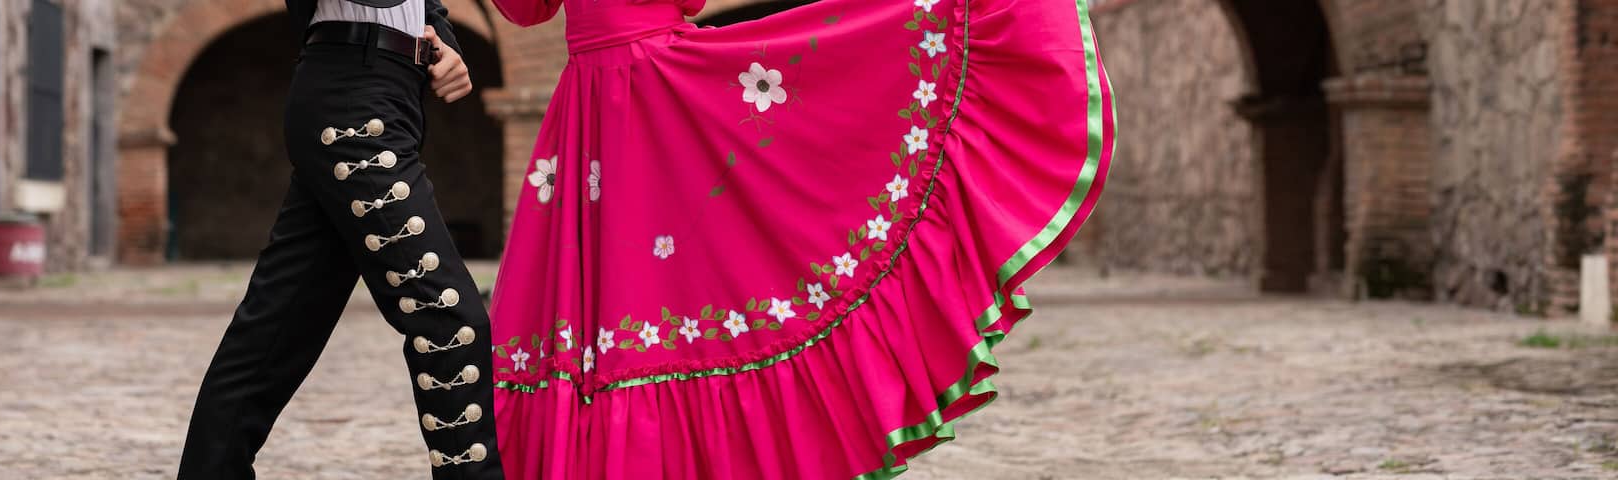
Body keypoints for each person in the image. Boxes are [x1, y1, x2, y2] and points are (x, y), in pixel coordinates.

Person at [483, 0, 1115, 477]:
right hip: (598, 102)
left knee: (671, 289)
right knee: (627, 301)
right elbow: (525, 9)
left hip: (650, 87)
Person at [174, 0, 503, 478]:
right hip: (353, 100)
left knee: (277, 330)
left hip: (387, 94)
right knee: (448, 318)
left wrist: (440, 39)